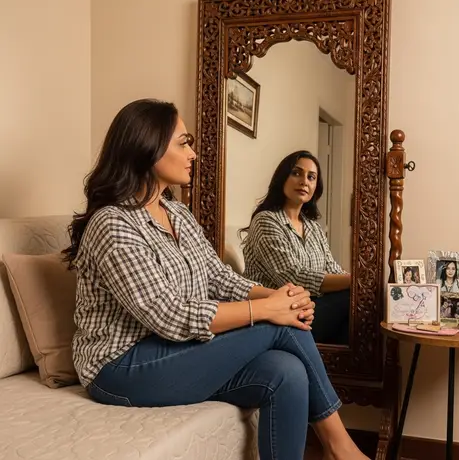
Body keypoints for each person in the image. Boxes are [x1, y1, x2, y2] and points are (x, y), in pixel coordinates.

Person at [63, 100, 368, 460]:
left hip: (174, 351)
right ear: (148, 146)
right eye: (183, 142)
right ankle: (341, 447)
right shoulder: (112, 223)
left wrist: (280, 297)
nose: (193, 153)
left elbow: (219, 277)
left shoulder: (177, 213)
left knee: (287, 371)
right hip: (120, 367)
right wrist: (270, 308)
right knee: (278, 326)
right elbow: (170, 316)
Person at [240, 150, 351, 345]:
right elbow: (293, 277)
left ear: (316, 186)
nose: (304, 181)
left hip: (307, 308)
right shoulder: (266, 221)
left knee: (359, 300)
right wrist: (354, 281)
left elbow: (332, 267)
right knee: (350, 298)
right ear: (282, 177)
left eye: (311, 177)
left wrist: (357, 282)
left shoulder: (313, 227)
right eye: (296, 173)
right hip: (277, 316)